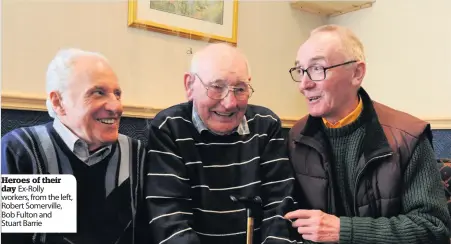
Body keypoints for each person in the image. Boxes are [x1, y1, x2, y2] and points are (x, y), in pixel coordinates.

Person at [284, 24, 450, 244]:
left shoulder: (408, 136)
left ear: (357, 73)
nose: (304, 84)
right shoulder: (296, 137)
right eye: (300, 70)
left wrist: (345, 231)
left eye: (317, 68)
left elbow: (434, 227)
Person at [145, 43, 300, 244]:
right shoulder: (169, 128)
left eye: (240, 89)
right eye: (217, 87)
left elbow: (280, 205)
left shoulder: (266, 125)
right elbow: (168, 217)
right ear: (189, 85)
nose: (230, 103)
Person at [1, 48, 147, 244]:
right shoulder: (24, 151)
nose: (116, 107)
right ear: (58, 102)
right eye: (98, 93)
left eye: (117, 94)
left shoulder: (136, 155)